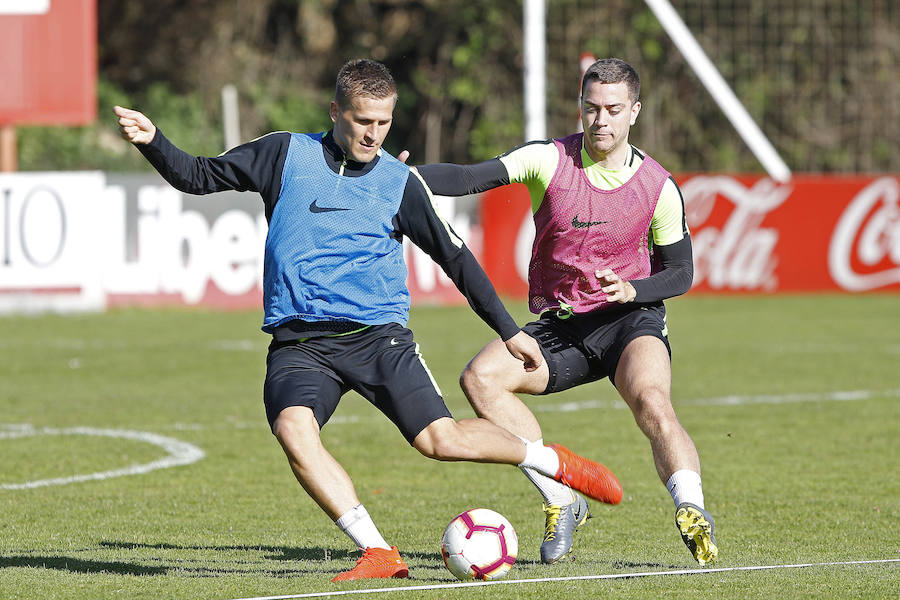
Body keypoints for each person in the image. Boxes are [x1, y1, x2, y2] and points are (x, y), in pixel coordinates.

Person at [114, 59, 623, 582]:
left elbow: (456, 259)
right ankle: (378, 551)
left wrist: (510, 331)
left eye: (383, 123)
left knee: (439, 442)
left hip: (378, 338)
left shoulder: (399, 182)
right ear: (336, 111)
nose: (374, 134)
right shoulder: (284, 153)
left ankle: (549, 463)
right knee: (293, 429)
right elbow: (198, 176)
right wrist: (154, 141)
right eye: (362, 121)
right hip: (301, 343)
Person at [414, 58, 717, 566]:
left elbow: (681, 272)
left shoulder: (659, 187)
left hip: (629, 321)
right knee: (480, 379)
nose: (601, 121)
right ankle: (562, 499)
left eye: (613, 110)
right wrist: (395, 175)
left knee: (652, 403)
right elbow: (469, 176)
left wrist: (634, 289)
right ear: (580, 106)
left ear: (634, 112)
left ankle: (692, 510)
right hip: (562, 326)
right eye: (591, 108)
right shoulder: (548, 160)